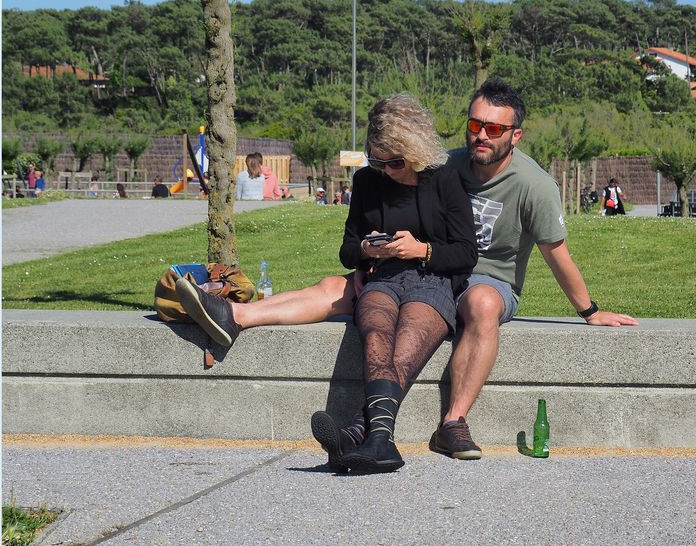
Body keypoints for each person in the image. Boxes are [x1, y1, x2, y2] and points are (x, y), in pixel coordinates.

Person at [174, 77, 636, 465]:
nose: (481, 135)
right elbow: (361, 234)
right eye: (474, 124)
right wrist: (368, 256)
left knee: (480, 302)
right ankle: (236, 318)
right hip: (417, 273)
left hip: (480, 278)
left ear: (515, 134)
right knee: (345, 287)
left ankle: (451, 422)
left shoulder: (532, 184)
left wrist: (589, 310)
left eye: (494, 129)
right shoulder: (442, 162)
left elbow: (556, 252)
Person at [316, 93, 477, 473]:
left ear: (415, 149)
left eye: (395, 162)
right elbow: (347, 248)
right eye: (378, 161)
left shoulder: (444, 178)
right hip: (382, 278)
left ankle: (360, 432)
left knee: (403, 349)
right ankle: (378, 443)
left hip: (432, 279)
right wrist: (368, 252)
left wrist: (422, 249)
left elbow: (466, 252)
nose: (386, 169)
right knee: (374, 335)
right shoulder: (366, 181)